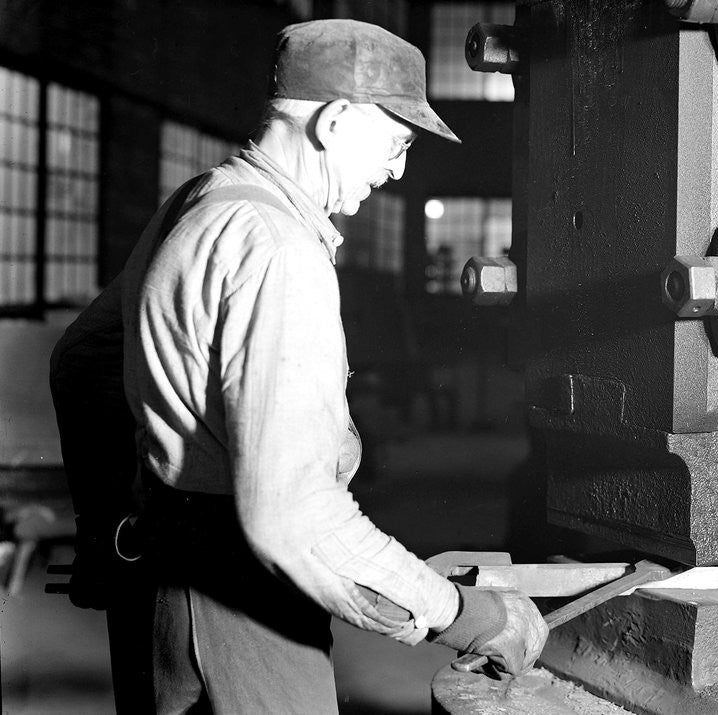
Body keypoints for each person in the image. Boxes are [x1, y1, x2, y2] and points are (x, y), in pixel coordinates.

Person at [50, 19, 547, 713]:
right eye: (398, 143)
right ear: (336, 121)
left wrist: (111, 521)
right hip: (241, 605)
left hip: (158, 586)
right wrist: (467, 615)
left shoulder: (199, 202)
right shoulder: (278, 248)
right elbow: (295, 515)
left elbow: (81, 358)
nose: (399, 170)